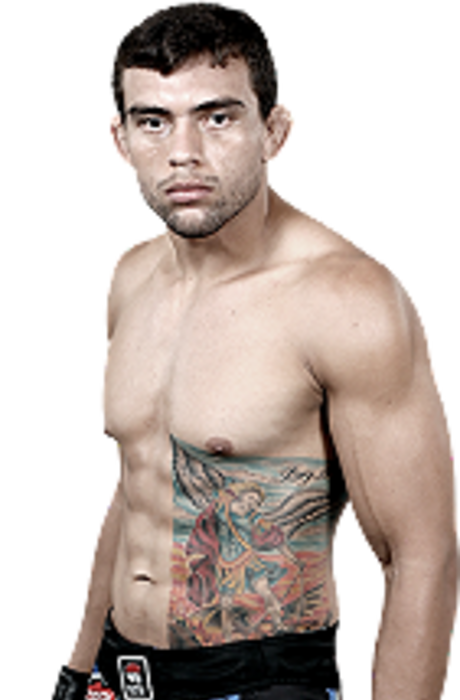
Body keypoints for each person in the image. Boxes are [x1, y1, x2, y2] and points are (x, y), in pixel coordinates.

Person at [52, 3, 455, 699]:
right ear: (119, 139)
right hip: (124, 673)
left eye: (216, 117)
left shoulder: (345, 297)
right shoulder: (130, 277)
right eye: (154, 121)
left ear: (275, 131)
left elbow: (420, 556)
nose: (183, 152)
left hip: (264, 677)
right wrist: (77, 670)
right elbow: (142, 480)